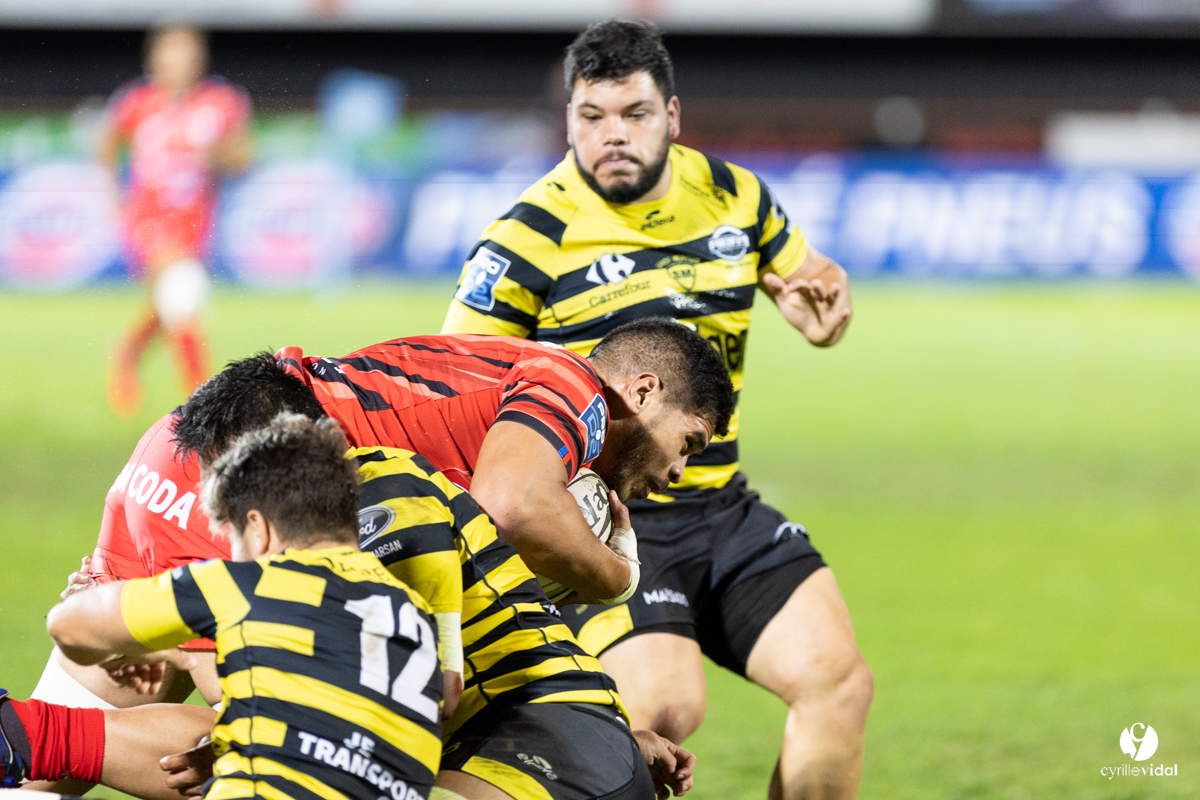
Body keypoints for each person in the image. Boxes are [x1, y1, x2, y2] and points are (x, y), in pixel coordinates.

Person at [440, 19, 872, 800]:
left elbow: (805, 275)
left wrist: (821, 302)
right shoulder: (527, 239)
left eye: (634, 115)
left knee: (837, 681)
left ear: (672, 116)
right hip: (608, 516)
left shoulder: (735, 196)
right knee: (662, 708)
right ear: (567, 118)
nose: (612, 135)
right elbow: (453, 390)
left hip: (723, 506)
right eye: (591, 116)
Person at [2, 414, 445, 800]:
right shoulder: (416, 615)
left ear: (258, 528)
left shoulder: (243, 585)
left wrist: (160, 647)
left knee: (32, 731)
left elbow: (68, 624)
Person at [101, 25, 251, 415]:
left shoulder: (222, 102)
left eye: (187, 53)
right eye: (170, 53)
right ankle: (204, 402)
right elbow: (105, 145)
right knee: (184, 295)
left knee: (168, 302)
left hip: (196, 222)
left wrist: (215, 156)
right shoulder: (136, 101)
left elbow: (241, 160)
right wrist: (113, 198)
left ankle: (129, 349)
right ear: (154, 59)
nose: (179, 62)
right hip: (148, 220)